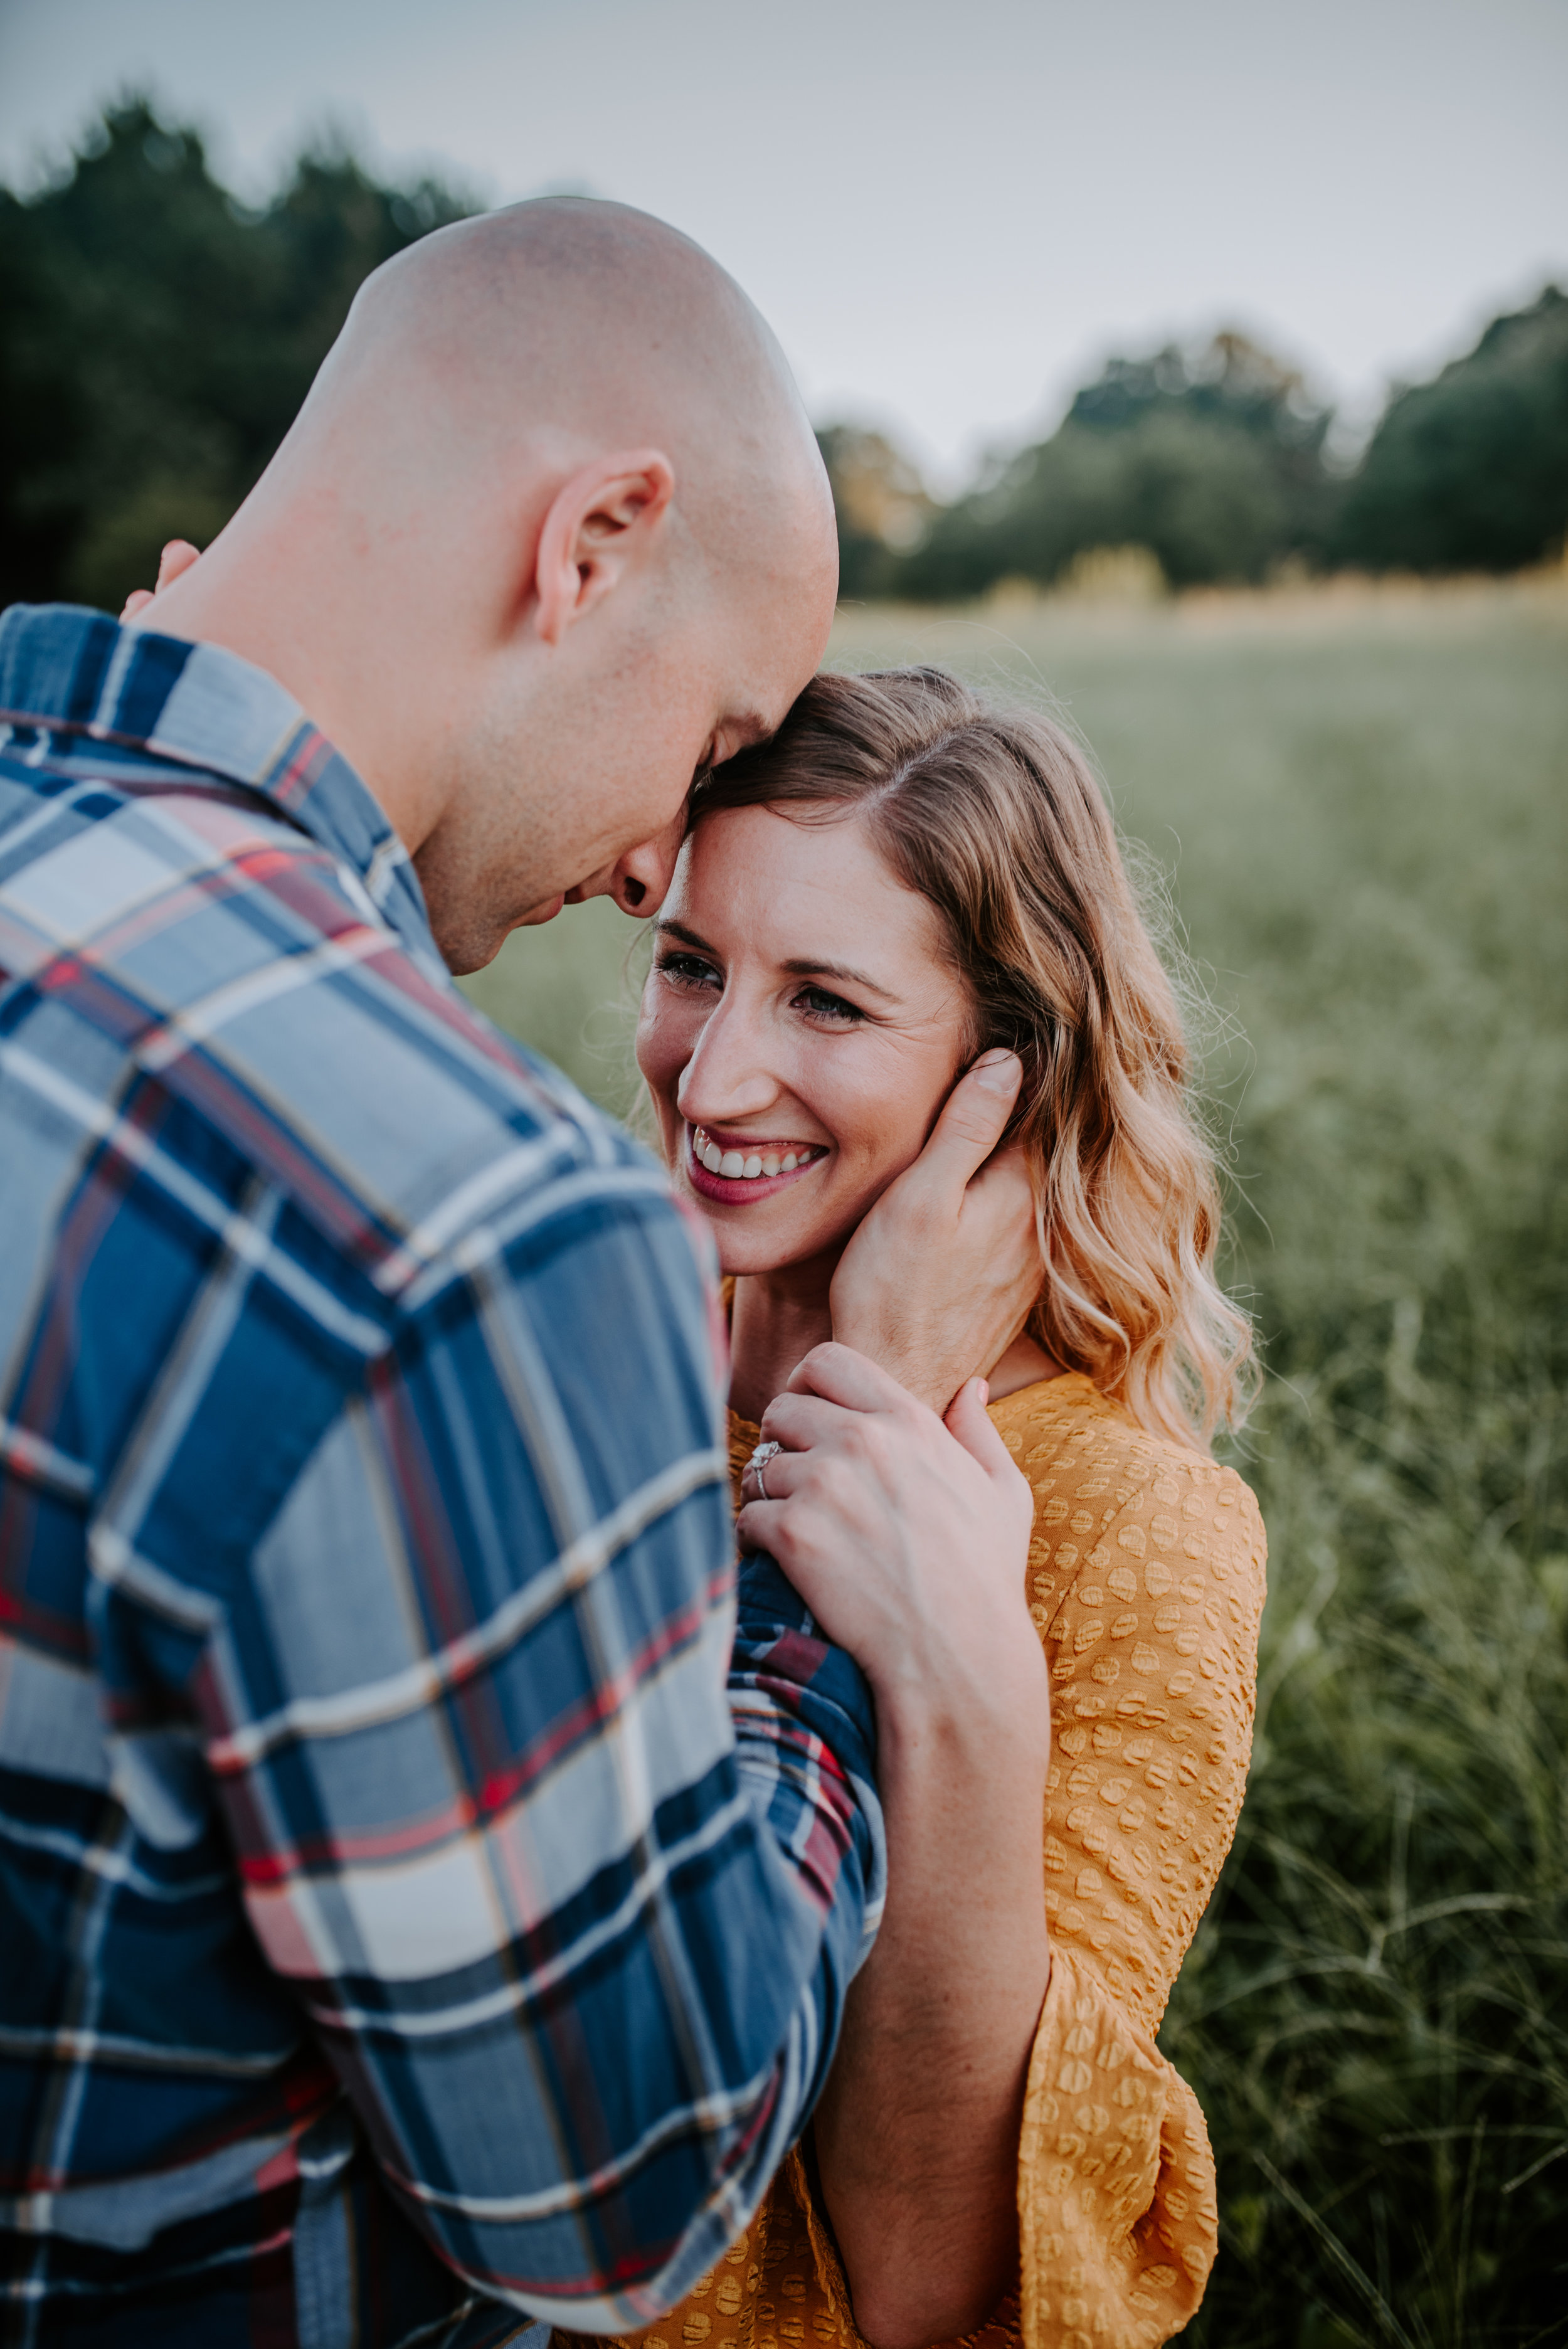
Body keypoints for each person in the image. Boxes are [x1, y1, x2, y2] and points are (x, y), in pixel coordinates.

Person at [0, 205, 1042, 2346]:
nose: (658, 855)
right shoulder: (468, 1233)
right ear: (591, 545)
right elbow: (620, 2199)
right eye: (713, 732)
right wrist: (811, 1613)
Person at [574, 667, 1267, 2349]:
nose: (710, 1079)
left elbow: (929, 2276)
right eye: (691, 966)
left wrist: (964, 1684)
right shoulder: (571, 1349)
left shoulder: (1133, 1532)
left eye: (826, 1001)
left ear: (1004, 1077)